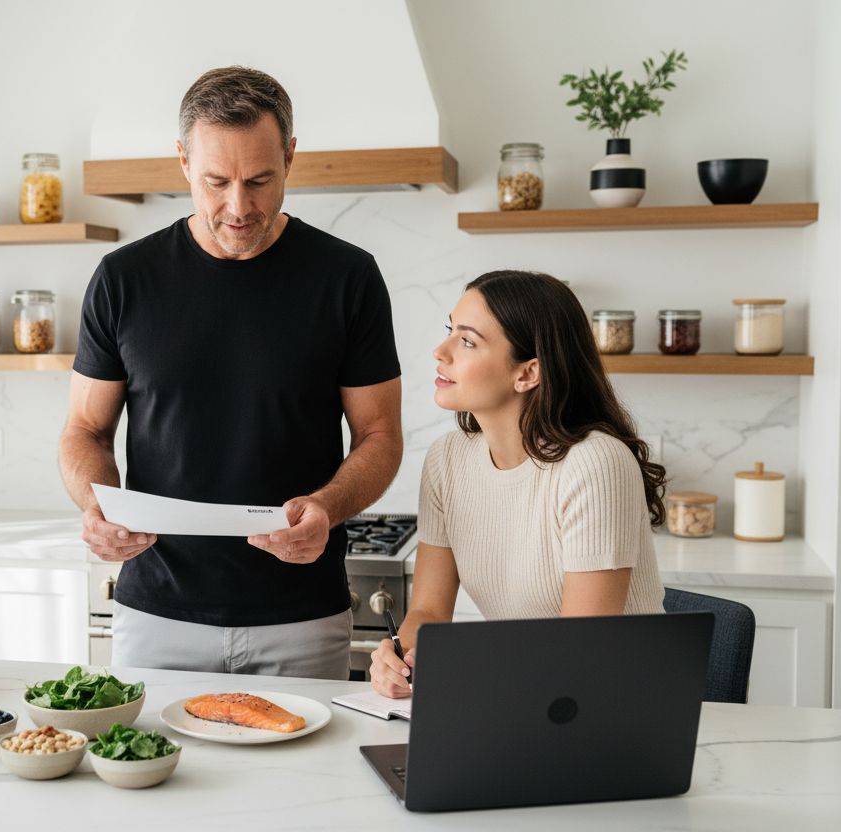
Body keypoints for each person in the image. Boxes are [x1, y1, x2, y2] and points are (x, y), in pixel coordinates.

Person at [59, 66, 403, 680]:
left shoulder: (347, 279)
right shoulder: (123, 280)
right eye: (217, 181)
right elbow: (85, 429)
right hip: (157, 617)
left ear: (291, 158)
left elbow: (380, 435)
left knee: (311, 782)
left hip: (303, 619)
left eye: (260, 180)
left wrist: (325, 506)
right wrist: (95, 505)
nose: (239, 207)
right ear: (183, 161)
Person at [370, 270, 667, 698]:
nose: (441, 351)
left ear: (528, 373)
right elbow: (429, 610)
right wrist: (402, 658)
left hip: (620, 707)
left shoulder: (594, 463)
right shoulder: (447, 459)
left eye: (467, 341)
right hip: (532, 698)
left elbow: (579, 651)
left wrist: (458, 670)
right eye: (450, 331)